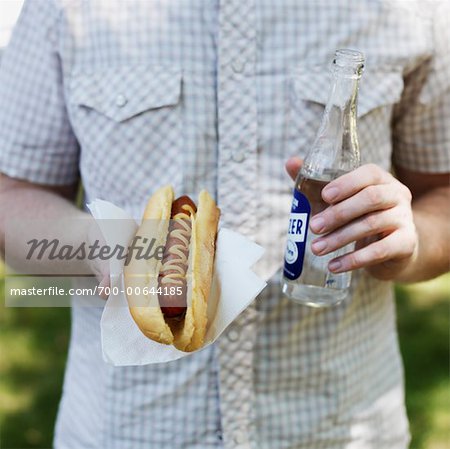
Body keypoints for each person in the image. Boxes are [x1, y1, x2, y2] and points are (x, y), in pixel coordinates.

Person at [0, 1, 449, 448]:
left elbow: (441, 195)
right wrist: (96, 246)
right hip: (121, 429)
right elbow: (12, 195)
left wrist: (411, 241)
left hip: (341, 428)